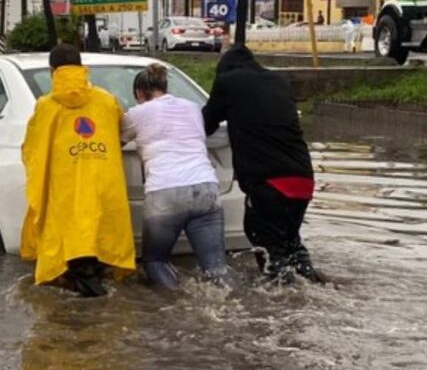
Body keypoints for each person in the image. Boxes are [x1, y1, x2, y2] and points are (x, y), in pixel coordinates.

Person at [21, 44, 136, 296]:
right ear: (82, 68)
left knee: (69, 265)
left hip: (65, 198)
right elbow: (122, 131)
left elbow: (32, 149)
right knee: (100, 261)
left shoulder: (46, 106)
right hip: (103, 194)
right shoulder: (107, 101)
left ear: (53, 71)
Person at [202, 46, 320, 284]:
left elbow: (205, 123)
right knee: (290, 241)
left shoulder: (228, 82)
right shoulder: (279, 81)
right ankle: (311, 283)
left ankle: (277, 296)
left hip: (269, 183)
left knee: (264, 240)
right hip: (303, 181)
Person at [121, 64, 226, 289]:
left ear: (139, 93)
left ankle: (175, 306)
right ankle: (229, 307)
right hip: (206, 188)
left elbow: (112, 139)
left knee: (156, 261)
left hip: (165, 191)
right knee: (216, 269)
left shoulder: (136, 114)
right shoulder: (193, 108)